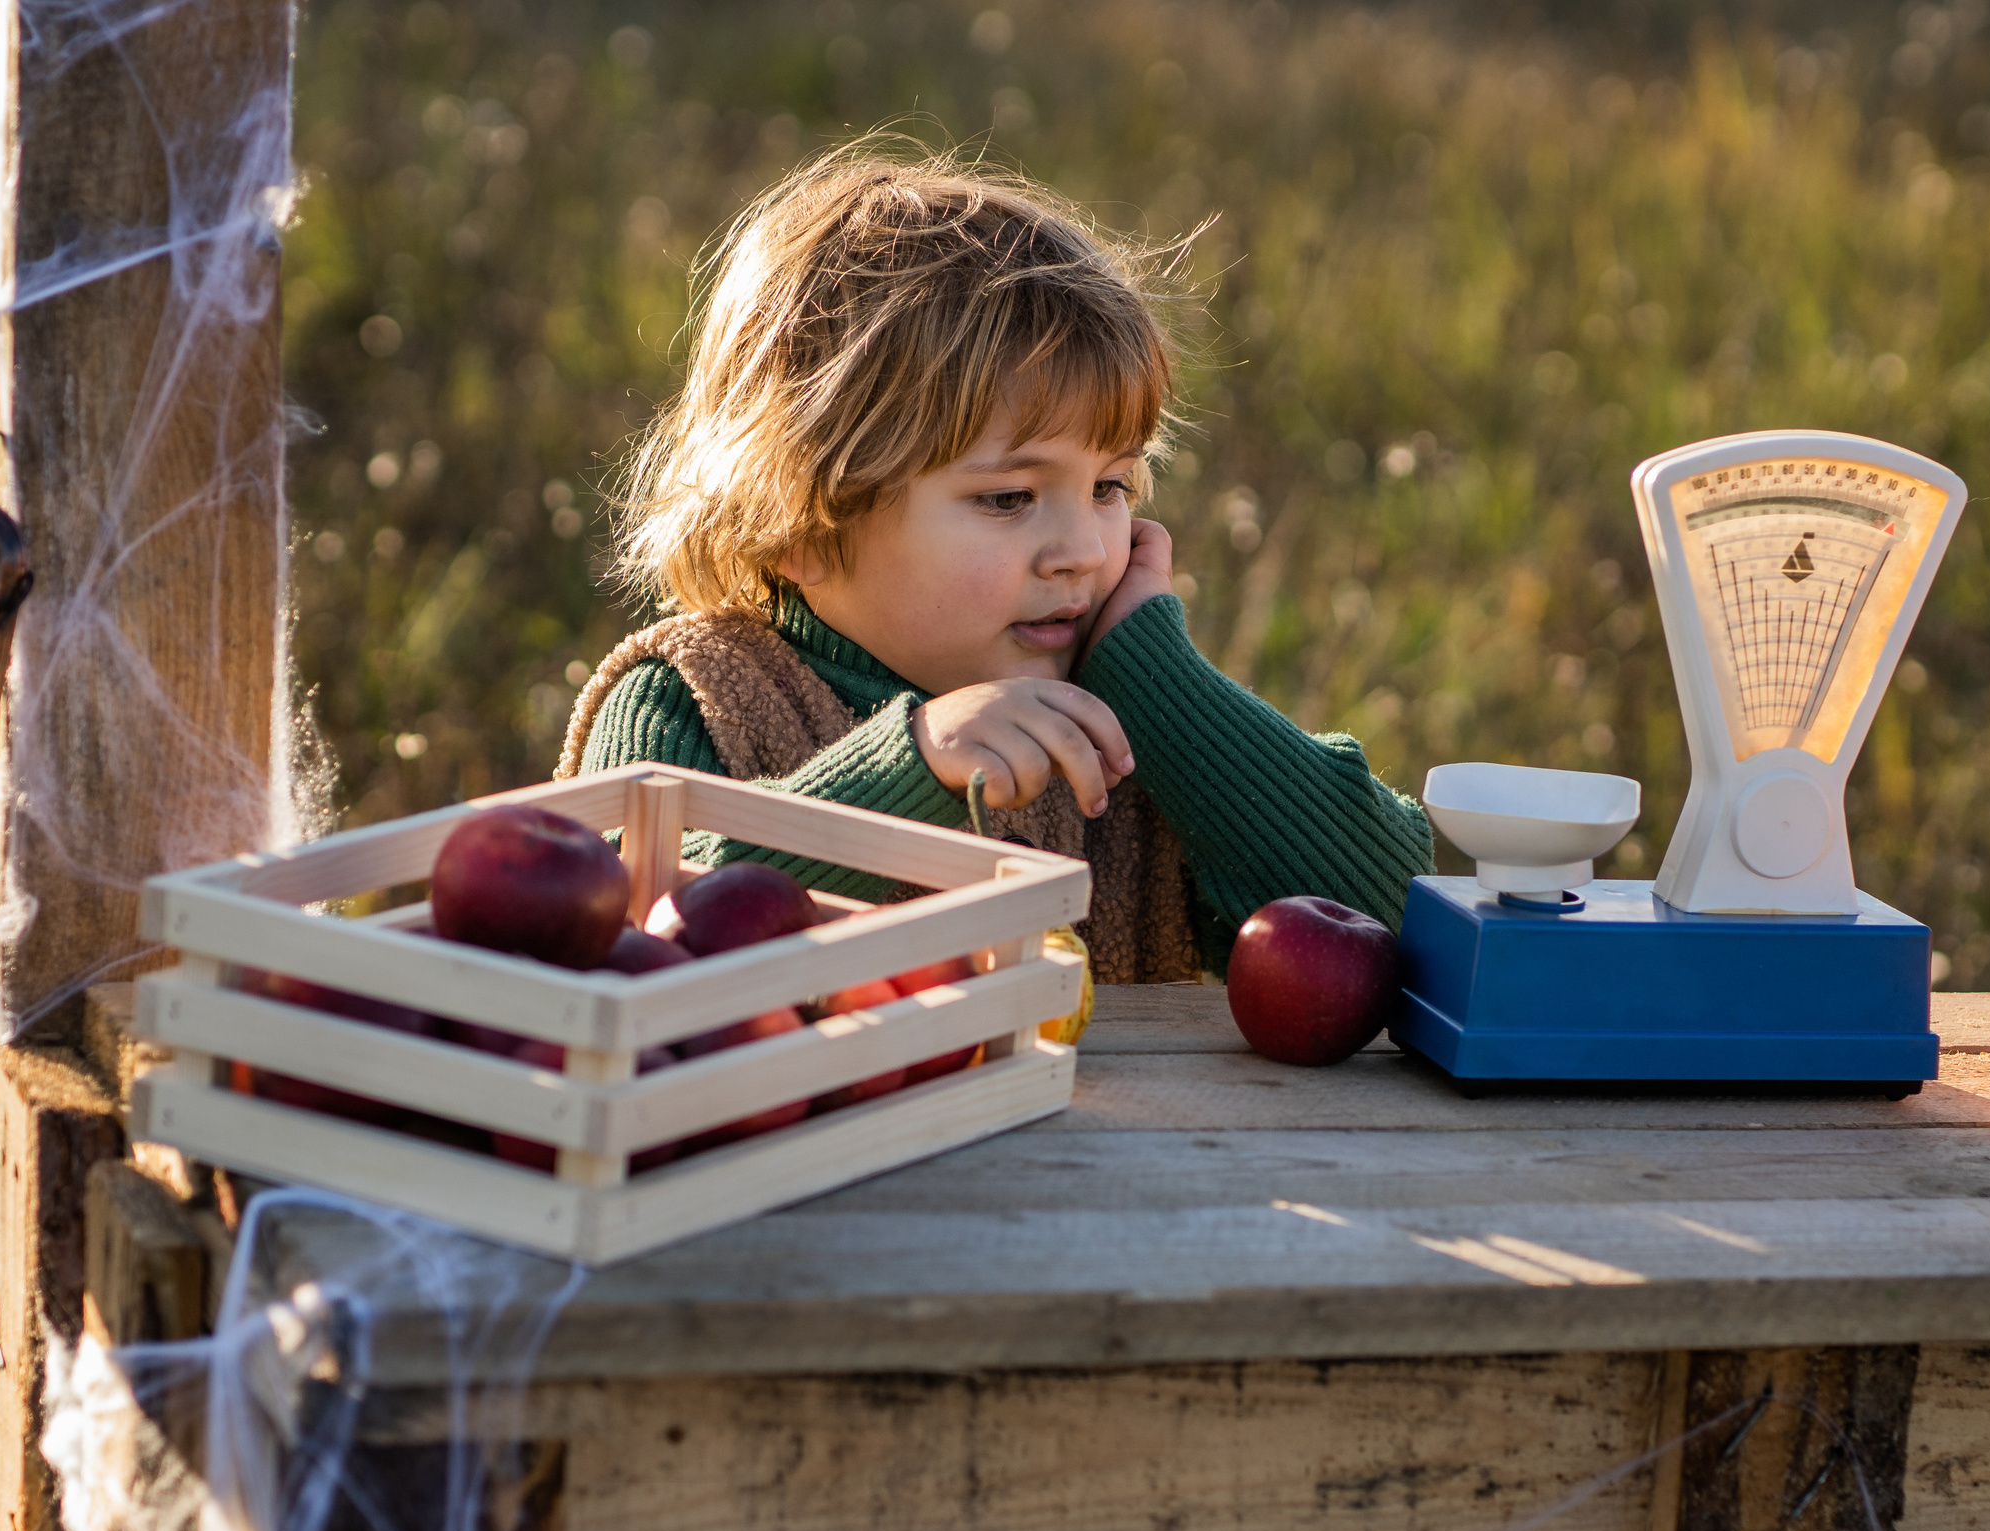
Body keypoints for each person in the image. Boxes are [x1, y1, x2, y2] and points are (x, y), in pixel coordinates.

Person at [560, 141, 1432, 980]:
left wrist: (1159, 680)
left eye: (1111, 486)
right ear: (803, 526)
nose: (1084, 552)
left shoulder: (1129, 724)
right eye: (1010, 498)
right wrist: (907, 768)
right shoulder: (695, 698)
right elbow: (625, 932)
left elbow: (1397, 916)